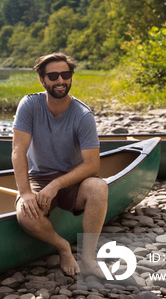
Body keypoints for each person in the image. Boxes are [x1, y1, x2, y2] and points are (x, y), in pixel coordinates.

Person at [12, 52, 108, 277]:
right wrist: (25, 193)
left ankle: (88, 258)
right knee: (25, 215)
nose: (60, 81)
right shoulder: (29, 105)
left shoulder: (83, 115)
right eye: (53, 76)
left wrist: (57, 184)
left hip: (73, 180)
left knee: (98, 187)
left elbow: (92, 165)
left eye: (65, 75)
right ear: (42, 80)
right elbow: (18, 151)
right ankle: (63, 247)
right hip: (38, 178)